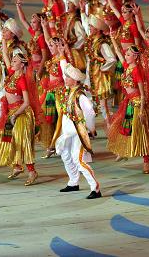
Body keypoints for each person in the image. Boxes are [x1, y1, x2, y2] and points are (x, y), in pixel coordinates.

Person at [53, 44, 101, 199]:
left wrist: (90, 129)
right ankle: (73, 182)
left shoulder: (80, 96)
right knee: (65, 155)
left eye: (67, 77)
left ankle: (95, 188)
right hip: (68, 131)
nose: (64, 78)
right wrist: (61, 55)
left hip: (78, 132)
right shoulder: (70, 91)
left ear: (74, 81)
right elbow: (63, 68)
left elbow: (90, 113)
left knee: (79, 160)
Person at [0, 40, 39, 186]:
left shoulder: (22, 80)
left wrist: (16, 114)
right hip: (11, 112)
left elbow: (27, 102)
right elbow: (5, 54)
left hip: (22, 113)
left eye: (15, 60)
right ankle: (17, 166)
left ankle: (32, 171)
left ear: (22, 65)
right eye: (12, 60)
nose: (11, 61)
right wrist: (2, 39)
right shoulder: (11, 74)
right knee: (4, 138)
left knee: (22, 141)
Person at [108, 39, 149, 172]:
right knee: (124, 128)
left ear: (135, 56)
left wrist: (141, 111)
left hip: (136, 105)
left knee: (141, 133)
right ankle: (123, 151)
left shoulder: (136, 71)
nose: (126, 56)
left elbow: (142, 94)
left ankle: (146, 161)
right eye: (126, 55)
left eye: (128, 55)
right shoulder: (127, 67)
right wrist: (113, 39)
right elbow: (118, 53)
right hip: (128, 103)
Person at [84, 15, 117, 123]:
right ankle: (90, 127)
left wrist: (102, 69)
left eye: (91, 26)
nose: (89, 28)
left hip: (100, 80)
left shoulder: (102, 44)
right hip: (91, 77)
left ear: (98, 29)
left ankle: (111, 129)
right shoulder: (92, 42)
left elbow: (112, 59)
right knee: (88, 102)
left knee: (104, 107)